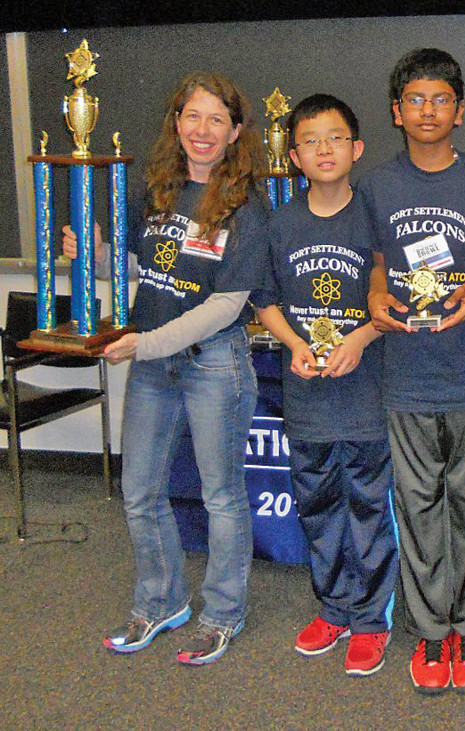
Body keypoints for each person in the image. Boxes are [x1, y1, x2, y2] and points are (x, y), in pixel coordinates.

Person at [63, 71, 269, 665]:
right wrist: (94, 255)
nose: (202, 131)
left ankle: (224, 613)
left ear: (235, 133)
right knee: (140, 493)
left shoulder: (246, 209)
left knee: (222, 497)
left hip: (213, 365)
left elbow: (226, 306)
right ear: (176, 123)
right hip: (153, 365)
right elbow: (131, 268)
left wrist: (143, 344)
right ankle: (160, 602)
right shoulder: (152, 191)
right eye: (191, 116)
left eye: (215, 120)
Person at [361, 48, 465, 693]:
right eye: (416, 100)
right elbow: (375, 258)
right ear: (398, 112)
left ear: (460, 110)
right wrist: (374, 292)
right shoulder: (377, 185)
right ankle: (432, 634)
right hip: (403, 369)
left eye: (441, 99)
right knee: (419, 505)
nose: (429, 110)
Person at [252, 94, 398, 676]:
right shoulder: (281, 224)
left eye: (336, 137)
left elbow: (396, 297)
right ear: (294, 156)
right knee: (316, 503)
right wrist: (295, 346)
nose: (324, 149)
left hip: (364, 393)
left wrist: (358, 339)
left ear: (357, 148)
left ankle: (370, 618)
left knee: (366, 503)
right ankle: (334, 607)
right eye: (310, 140)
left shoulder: (376, 217)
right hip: (308, 393)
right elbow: (264, 300)